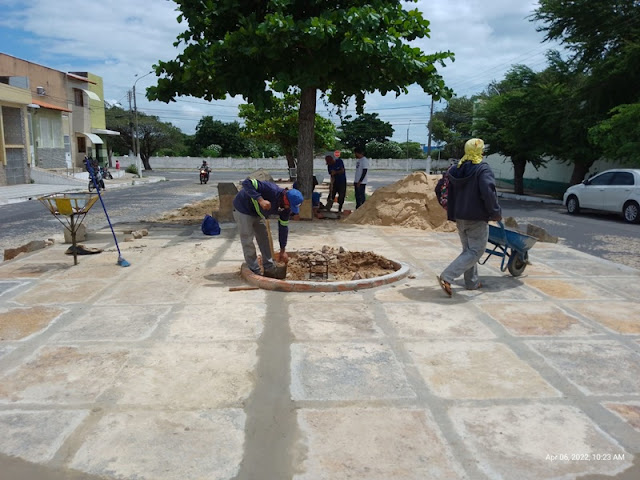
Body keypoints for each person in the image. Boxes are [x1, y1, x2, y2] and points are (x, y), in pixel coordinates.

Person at [437, 138, 502, 297]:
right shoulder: (482, 170)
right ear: (480, 152)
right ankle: (448, 275)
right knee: (476, 251)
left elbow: (439, 187)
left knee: (468, 250)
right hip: (476, 217)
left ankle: (472, 282)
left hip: (459, 216)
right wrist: (495, 212)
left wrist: (449, 206)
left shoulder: (455, 169)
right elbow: (489, 193)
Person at [232, 178, 303, 277]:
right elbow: (247, 183)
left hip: (258, 213)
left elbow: (283, 228)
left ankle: (269, 267)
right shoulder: (271, 189)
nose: (290, 209)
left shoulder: (286, 209)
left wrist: (283, 250)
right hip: (243, 208)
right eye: (290, 206)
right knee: (247, 239)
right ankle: (254, 270)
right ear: (286, 199)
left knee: (265, 238)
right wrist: (261, 200)